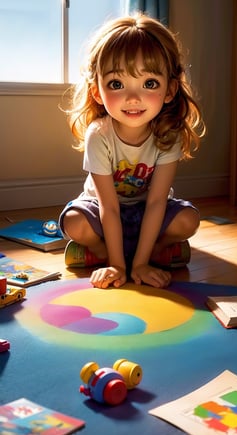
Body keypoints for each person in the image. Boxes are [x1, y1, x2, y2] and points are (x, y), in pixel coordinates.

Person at [59, 14, 205, 290]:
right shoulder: (99, 135)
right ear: (97, 93)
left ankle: (145, 253)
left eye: (150, 83)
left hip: (147, 211)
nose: (133, 98)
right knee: (74, 223)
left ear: (170, 89)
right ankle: (110, 253)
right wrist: (115, 266)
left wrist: (138, 265)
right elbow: (109, 207)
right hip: (103, 212)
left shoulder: (168, 134)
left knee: (189, 220)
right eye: (117, 84)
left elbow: (156, 202)